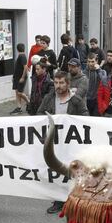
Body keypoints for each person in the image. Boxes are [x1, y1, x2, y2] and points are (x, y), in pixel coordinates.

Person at [37, 71, 88, 214]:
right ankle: (59, 201)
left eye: (61, 83)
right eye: (56, 83)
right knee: (57, 172)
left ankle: (74, 200)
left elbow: (85, 117)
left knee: (72, 170)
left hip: (72, 144)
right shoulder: (49, 98)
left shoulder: (76, 100)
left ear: (68, 84)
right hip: (55, 143)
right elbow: (39, 114)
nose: (58, 86)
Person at [10, 43, 29, 115]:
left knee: (20, 93)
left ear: (17, 49)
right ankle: (19, 108)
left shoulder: (22, 56)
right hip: (16, 77)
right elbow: (17, 68)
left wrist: (23, 77)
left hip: (20, 77)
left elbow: (25, 67)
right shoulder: (20, 56)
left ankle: (29, 103)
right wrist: (14, 76)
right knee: (17, 93)